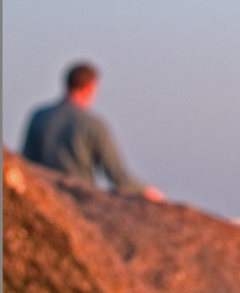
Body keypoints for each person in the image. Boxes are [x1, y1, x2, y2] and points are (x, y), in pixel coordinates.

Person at [21, 61, 165, 202]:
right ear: (90, 87)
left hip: (45, 198)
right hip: (79, 201)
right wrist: (147, 192)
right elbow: (116, 174)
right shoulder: (93, 125)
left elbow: (25, 162)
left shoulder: (38, 116)